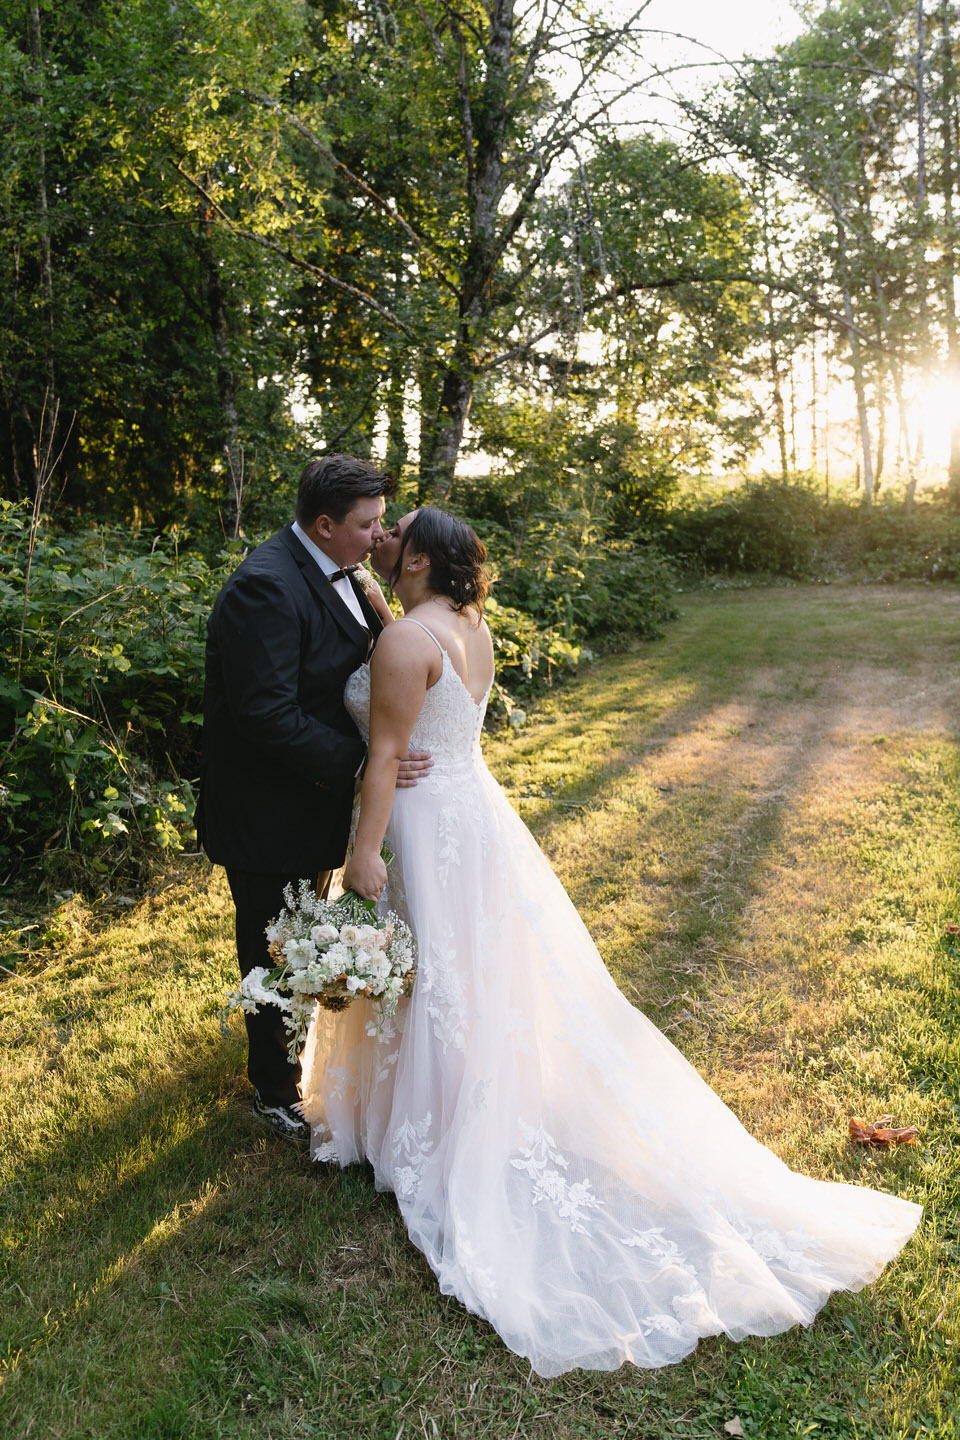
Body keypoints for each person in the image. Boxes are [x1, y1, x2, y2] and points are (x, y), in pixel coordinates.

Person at [299, 505, 921, 1376]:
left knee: (438, 976)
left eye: (397, 532)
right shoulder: (464, 626)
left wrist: (364, 853)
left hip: (424, 822)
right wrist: (369, 589)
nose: (385, 539)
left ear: (423, 561)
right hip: (474, 816)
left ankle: (446, 1124)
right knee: (466, 976)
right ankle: (449, 1100)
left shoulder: (406, 644)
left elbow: (386, 754)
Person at [195, 455, 429, 1145]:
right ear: (324, 525)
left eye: (383, 521)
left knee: (300, 936)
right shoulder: (264, 587)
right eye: (368, 525)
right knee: (269, 943)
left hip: (312, 801)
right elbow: (265, 713)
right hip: (266, 811)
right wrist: (364, 766)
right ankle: (273, 1089)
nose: (379, 537)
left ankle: (286, 1051)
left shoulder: (342, 568)